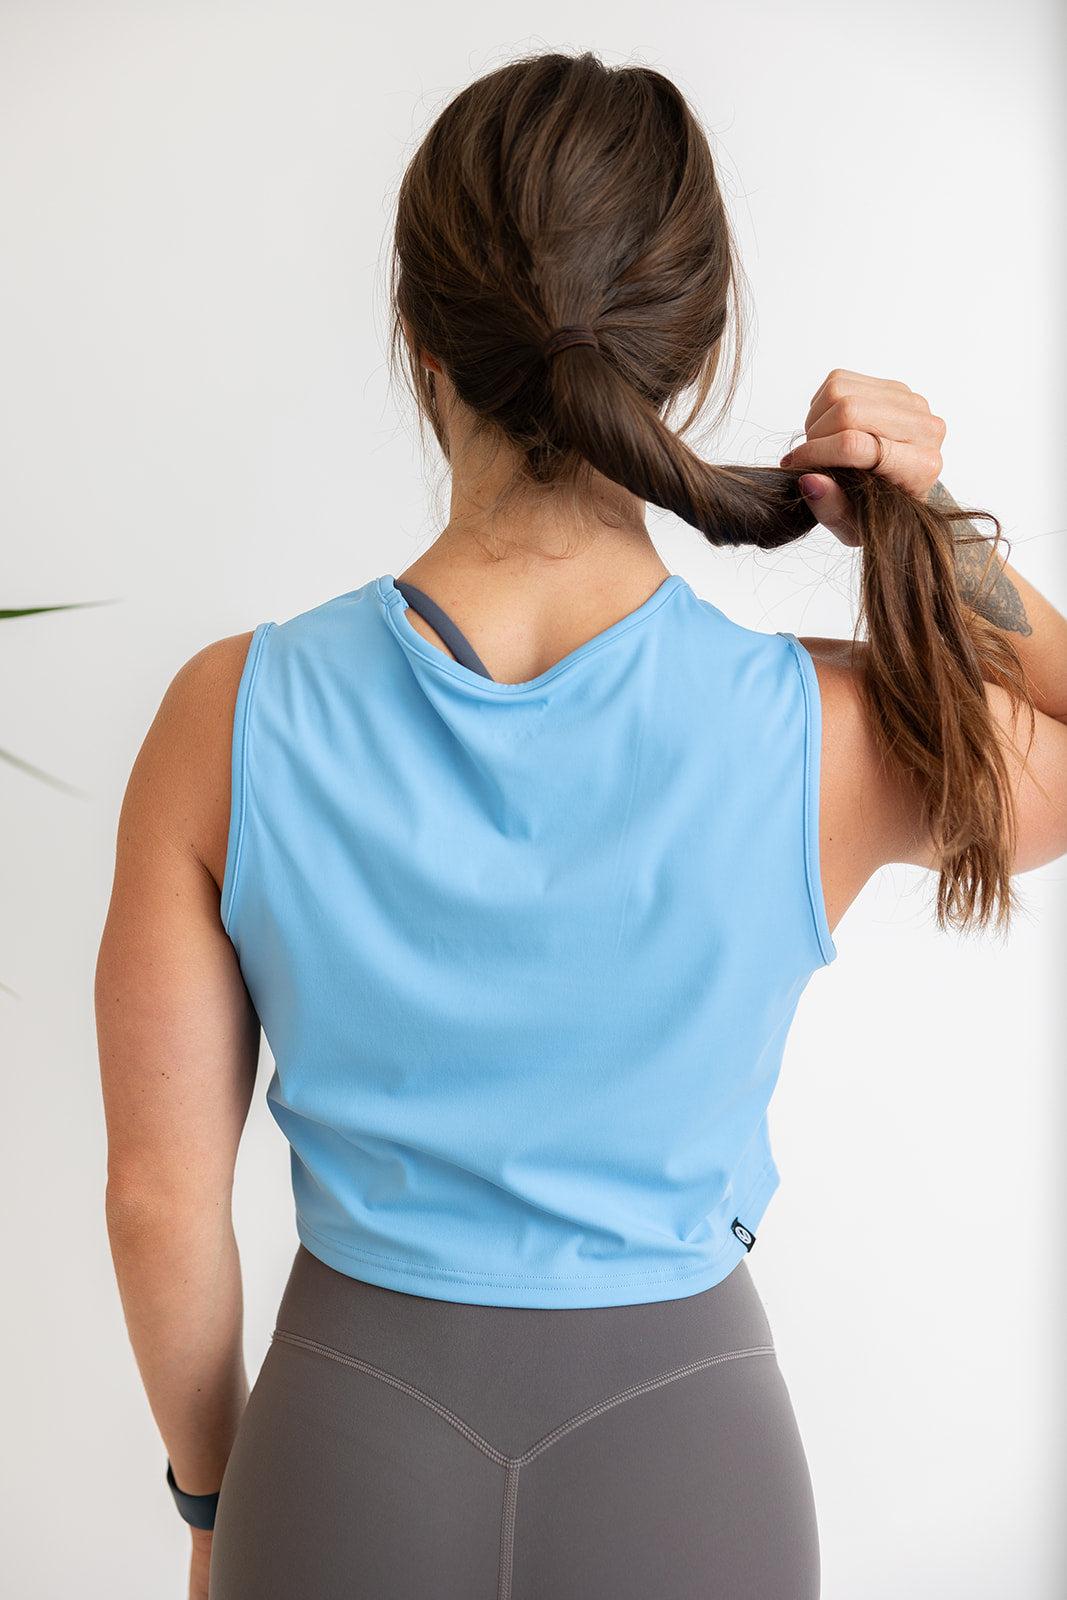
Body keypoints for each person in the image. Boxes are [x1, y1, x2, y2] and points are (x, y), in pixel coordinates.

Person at [95, 48, 1067, 1600]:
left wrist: (215, 1511)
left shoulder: (229, 715)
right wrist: (920, 530)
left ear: (420, 336)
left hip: (344, 1450)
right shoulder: (825, 732)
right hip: (690, 1455)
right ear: (688, 355)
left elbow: (156, 1201)